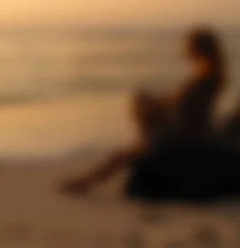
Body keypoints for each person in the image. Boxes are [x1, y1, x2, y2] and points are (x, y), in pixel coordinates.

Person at [61, 27, 228, 193]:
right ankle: (89, 179)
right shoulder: (210, 73)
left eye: (189, 45)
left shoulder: (207, 76)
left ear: (198, 48)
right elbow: (179, 101)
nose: (185, 50)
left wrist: (156, 107)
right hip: (188, 129)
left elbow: (184, 105)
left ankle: (86, 182)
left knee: (123, 154)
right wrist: (158, 103)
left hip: (188, 136)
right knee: (143, 101)